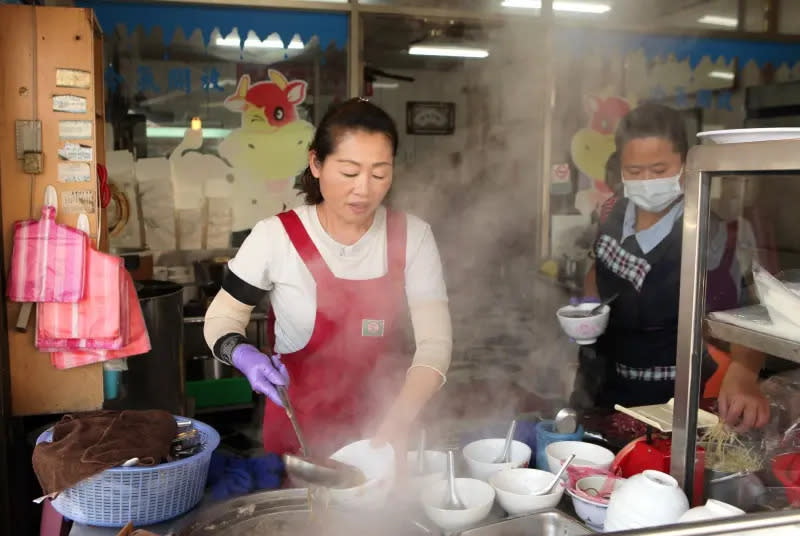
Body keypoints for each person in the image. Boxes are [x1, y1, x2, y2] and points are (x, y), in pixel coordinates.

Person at [204, 99, 452, 458]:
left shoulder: (413, 236)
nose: (364, 189)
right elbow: (221, 317)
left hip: (385, 425)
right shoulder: (275, 237)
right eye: (350, 173)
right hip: (298, 435)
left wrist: (398, 421)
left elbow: (435, 343)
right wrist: (241, 354)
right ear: (316, 163)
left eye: (379, 173)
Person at [572, 103, 769, 431]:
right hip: (599, 387)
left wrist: (745, 374)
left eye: (659, 169)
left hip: (670, 402)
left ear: (685, 166)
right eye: (634, 172)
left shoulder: (708, 233)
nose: (645, 181)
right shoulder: (610, 213)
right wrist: (588, 311)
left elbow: (745, 314)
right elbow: (599, 268)